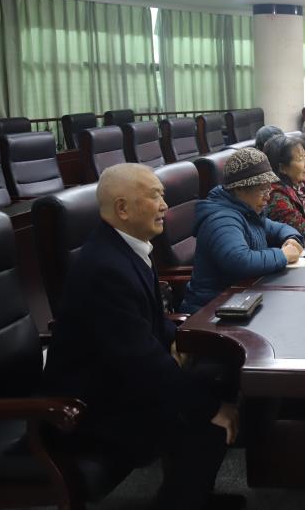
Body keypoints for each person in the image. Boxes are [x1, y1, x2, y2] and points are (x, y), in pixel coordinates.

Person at [42, 164, 242, 510]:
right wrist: (210, 409)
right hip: (84, 409)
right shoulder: (105, 268)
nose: (165, 205)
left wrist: (180, 339)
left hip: (117, 382)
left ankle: (193, 497)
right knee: (204, 418)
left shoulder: (128, 248)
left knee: (217, 375)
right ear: (122, 208)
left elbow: (150, 321)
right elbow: (140, 362)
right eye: (154, 196)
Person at [183, 147, 304, 313]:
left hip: (241, 300)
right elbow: (240, 261)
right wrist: (283, 255)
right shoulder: (221, 219)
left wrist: (291, 239)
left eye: (269, 188)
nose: (268, 196)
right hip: (212, 312)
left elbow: (279, 228)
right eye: (262, 189)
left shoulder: (248, 210)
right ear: (239, 189)